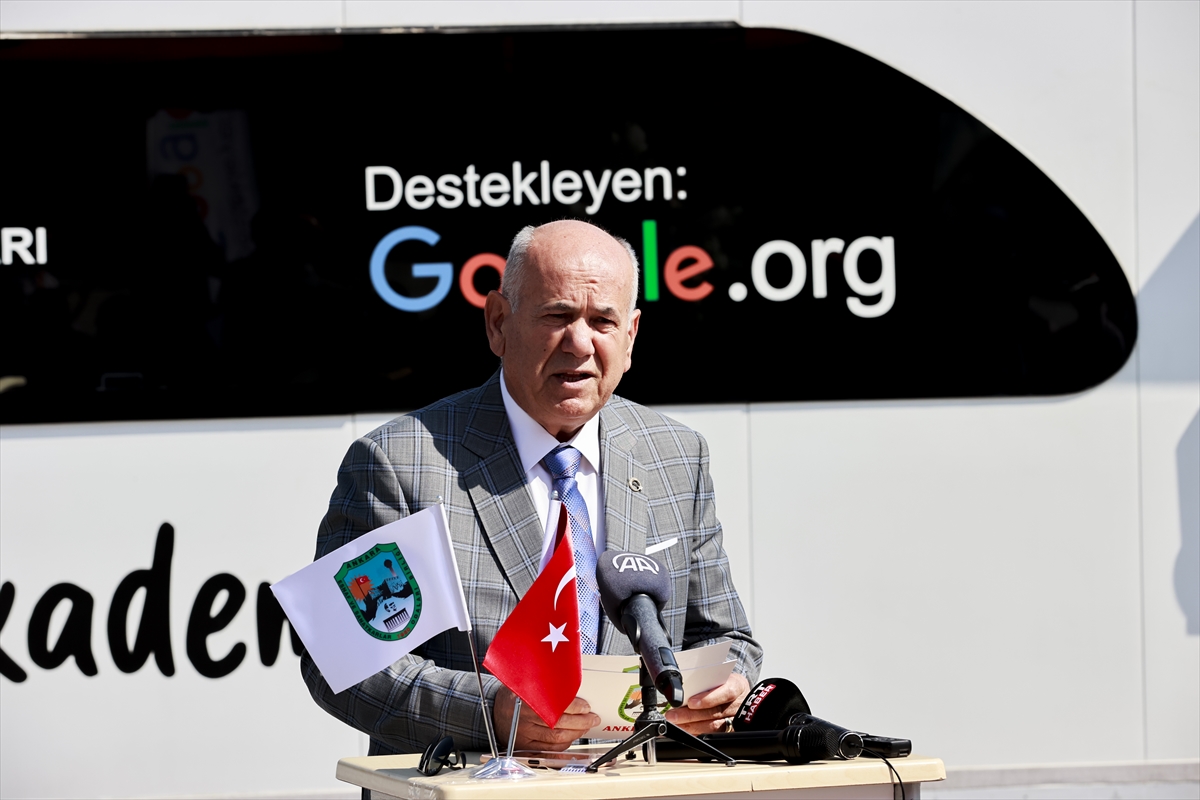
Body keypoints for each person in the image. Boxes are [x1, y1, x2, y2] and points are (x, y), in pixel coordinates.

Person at [301, 219, 761, 756]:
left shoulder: (677, 456)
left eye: (603, 321)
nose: (580, 343)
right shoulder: (401, 464)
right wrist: (490, 712)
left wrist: (726, 687)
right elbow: (339, 658)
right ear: (498, 322)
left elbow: (728, 639)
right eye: (557, 316)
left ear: (631, 336)